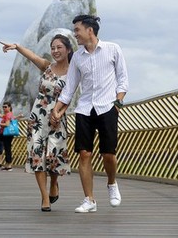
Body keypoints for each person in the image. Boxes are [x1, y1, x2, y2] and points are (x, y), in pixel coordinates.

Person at [51, 14, 129, 213]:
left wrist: (118, 101)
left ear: (89, 30)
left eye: (77, 30)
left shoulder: (113, 49)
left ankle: (112, 184)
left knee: (108, 154)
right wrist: (57, 109)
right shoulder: (77, 56)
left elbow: (123, 79)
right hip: (85, 109)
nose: (75, 34)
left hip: (107, 107)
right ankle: (89, 200)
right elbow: (70, 88)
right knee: (84, 154)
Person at [1, 34, 73, 212]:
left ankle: (54, 183)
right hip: (38, 118)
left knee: (54, 156)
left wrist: (59, 113)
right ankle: (44, 197)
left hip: (58, 118)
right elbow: (32, 56)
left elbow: (69, 97)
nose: (55, 51)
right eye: (53, 48)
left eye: (59, 47)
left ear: (68, 49)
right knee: (38, 155)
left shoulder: (73, 72)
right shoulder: (47, 67)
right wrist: (17, 46)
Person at [0, 101, 14, 171]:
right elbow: (3, 116)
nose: (4, 108)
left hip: (7, 134)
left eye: (5, 107)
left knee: (8, 149)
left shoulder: (8, 114)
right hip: (7, 134)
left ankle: (9, 165)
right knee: (6, 148)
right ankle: (7, 164)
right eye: (3, 107)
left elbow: (7, 124)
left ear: (9, 107)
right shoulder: (8, 114)